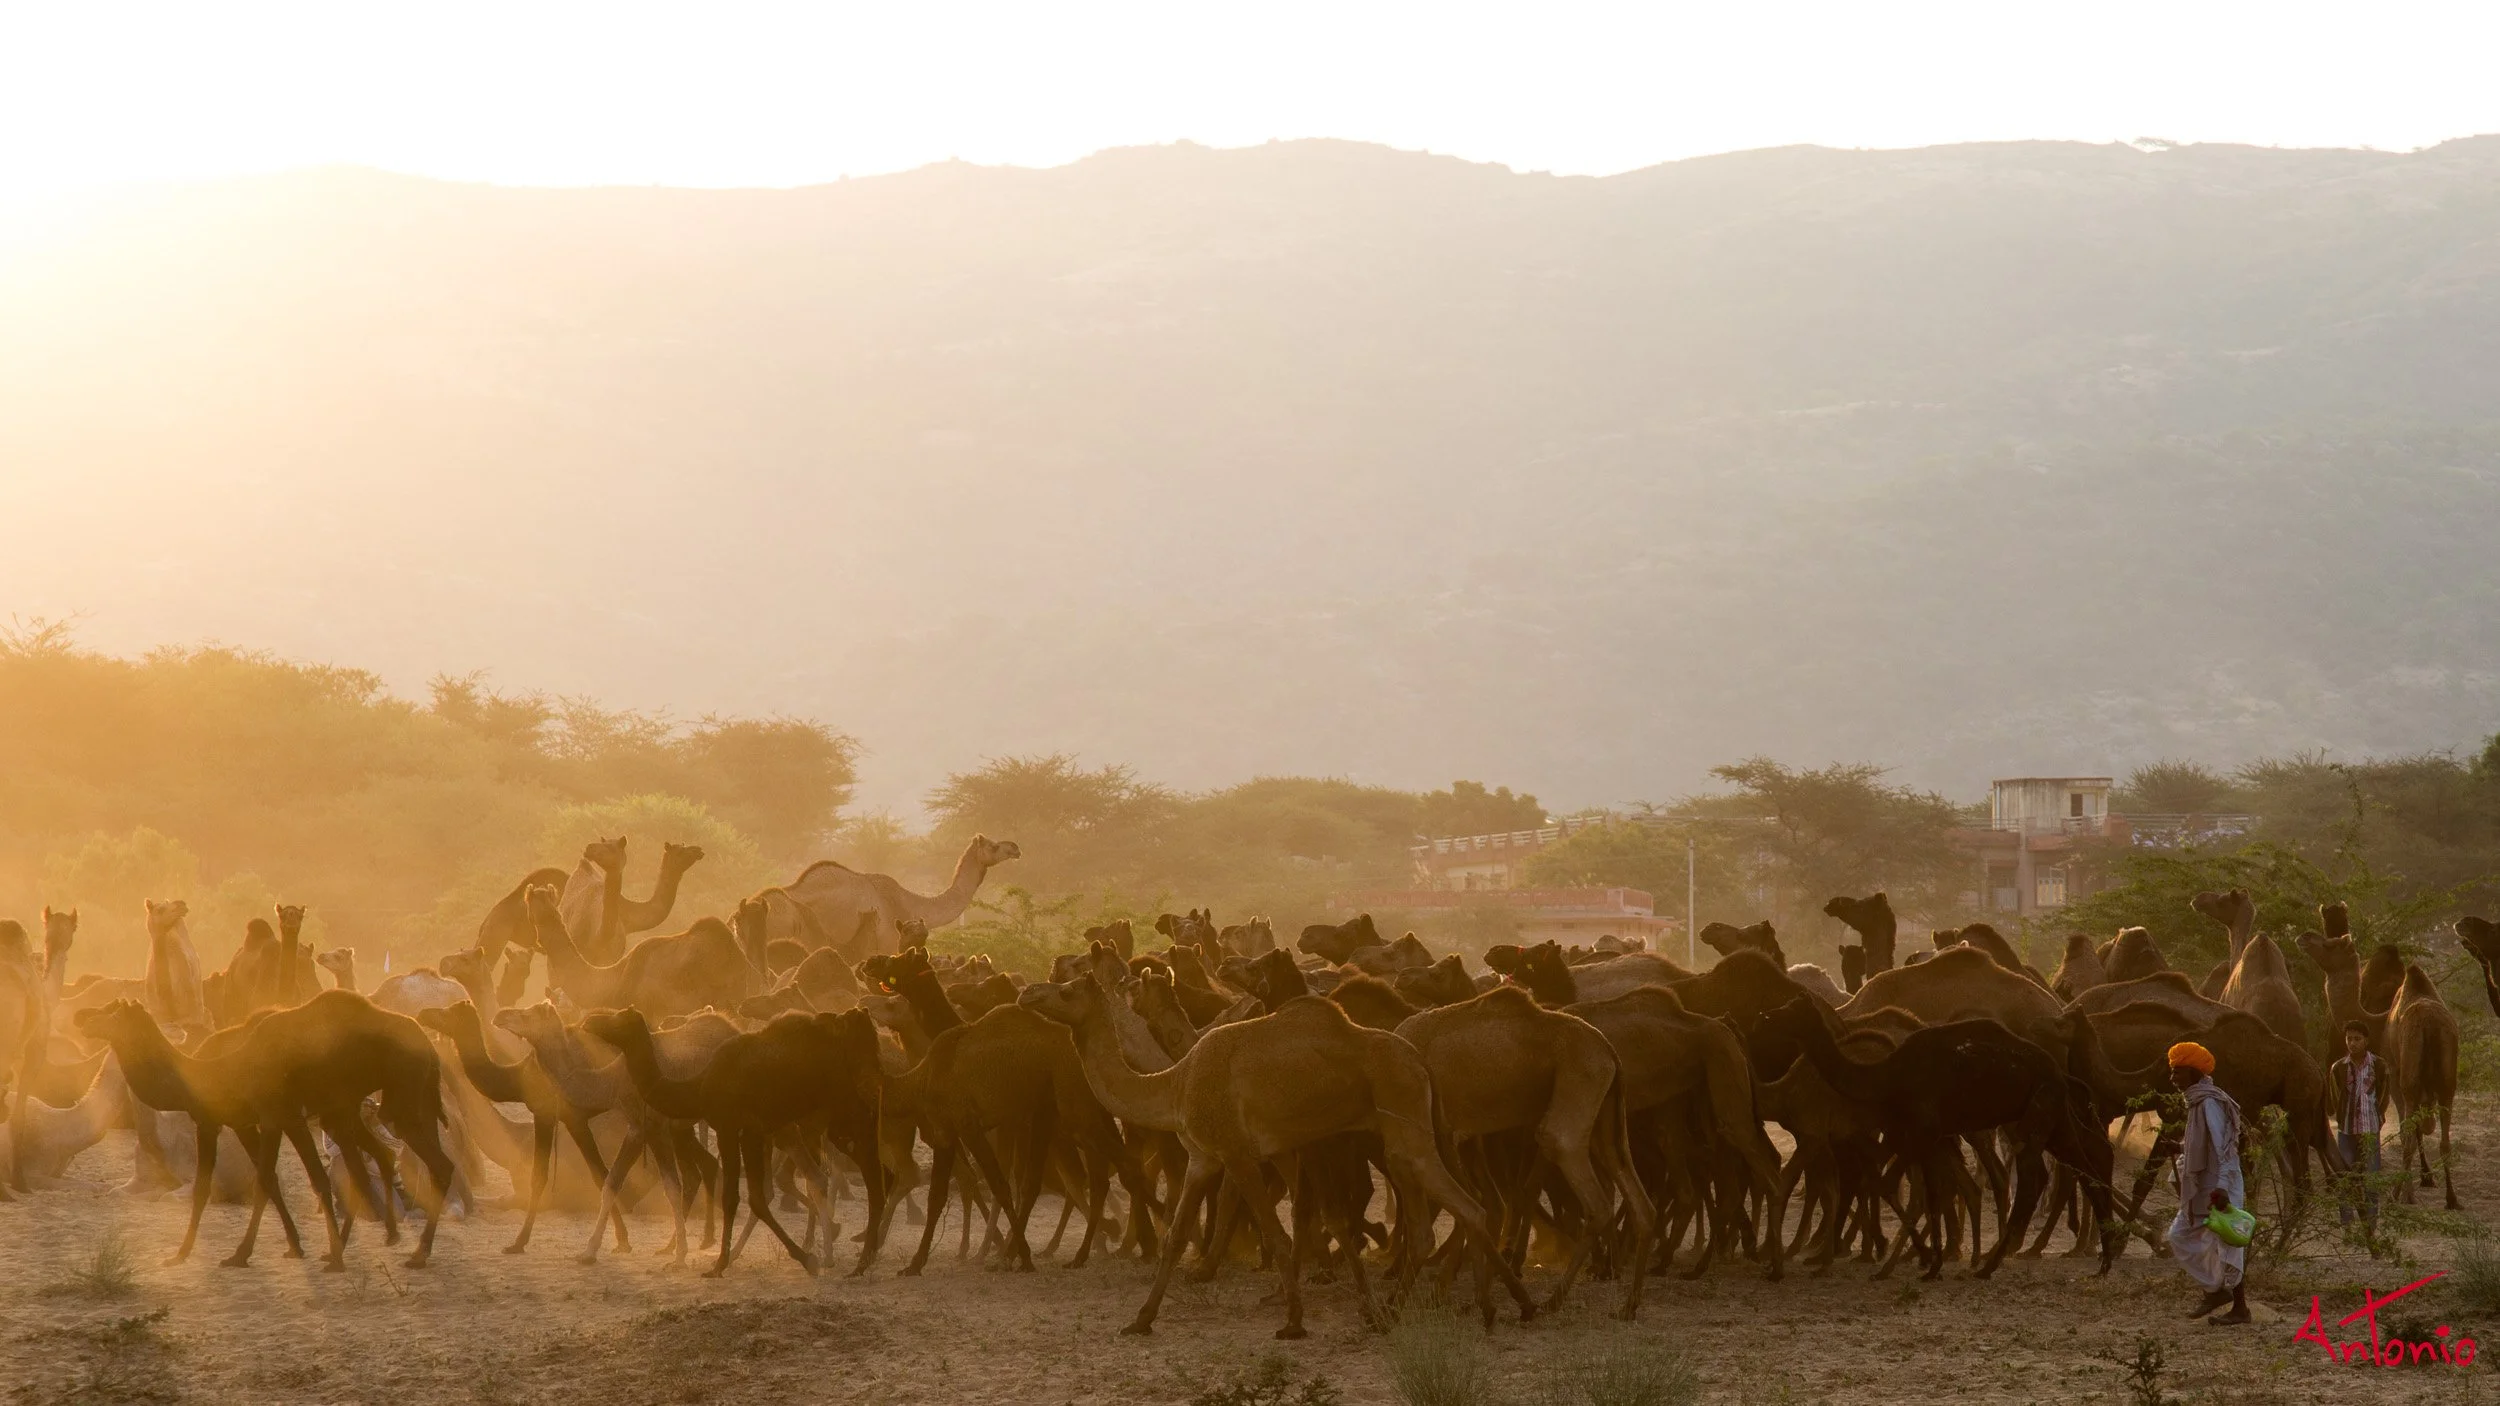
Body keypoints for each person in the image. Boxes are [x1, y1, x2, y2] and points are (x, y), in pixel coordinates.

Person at [2166, 1040, 2250, 1324]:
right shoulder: (2197, 1101)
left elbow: (2225, 1147)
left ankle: (2240, 1309)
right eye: (2172, 1072)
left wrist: (2223, 1189)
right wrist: (2180, 1149)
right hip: (2205, 1185)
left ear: (2194, 1073)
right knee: (2180, 1235)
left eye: (2178, 1072)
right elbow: (2201, 1145)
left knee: (2228, 1244)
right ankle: (2215, 1291)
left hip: (2218, 1186)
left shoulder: (2210, 1103)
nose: (2173, 1078)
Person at [2328, 1019, 2386, 1243]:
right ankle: (2347, 1229)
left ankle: (2370, 1228)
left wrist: (2378, 1117)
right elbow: (2335, 1098)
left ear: (2366, 1040)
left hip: (2370, 1129)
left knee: (2371, 1180)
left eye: (2357, 1039)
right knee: (2345, 1180)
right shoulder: (2338, 1068)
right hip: (2346, 1130)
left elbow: (2383, 1095)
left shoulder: (2379, 1066)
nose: (2352, 1043)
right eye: (2349, 1039)